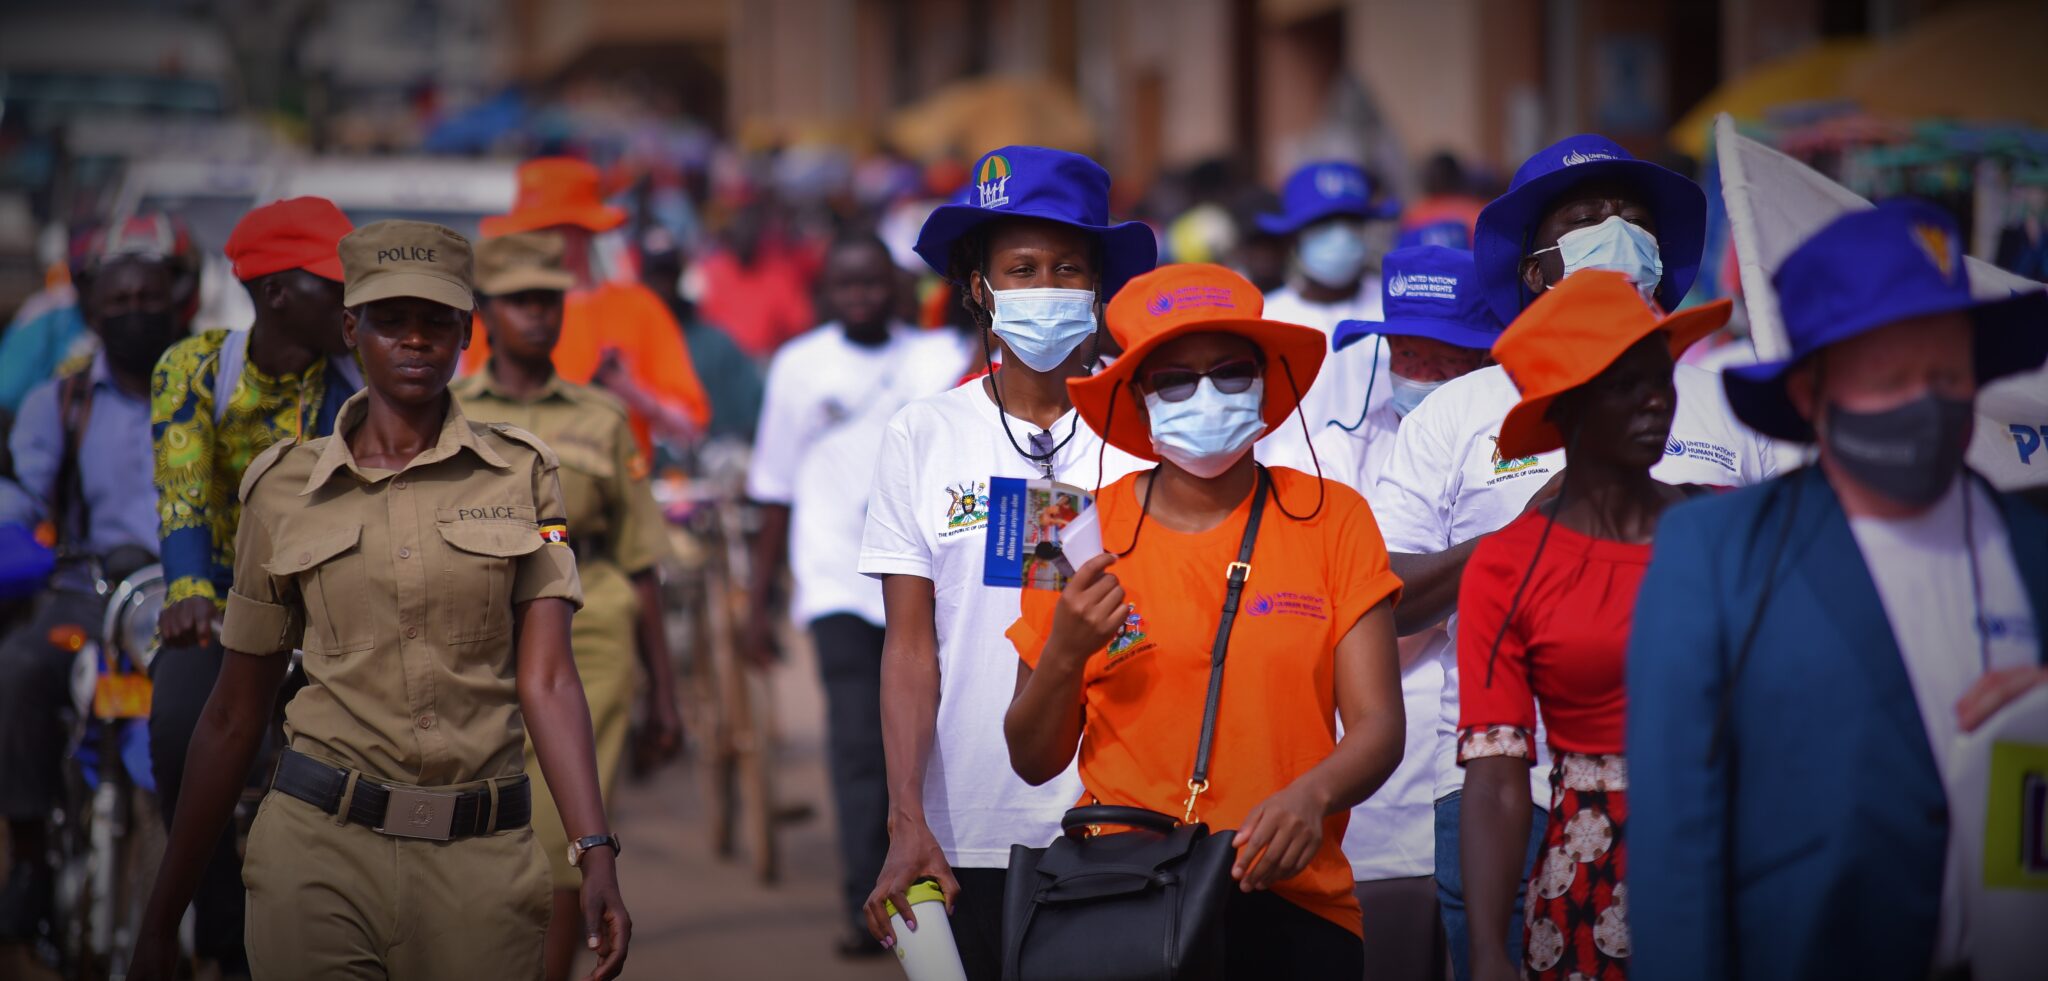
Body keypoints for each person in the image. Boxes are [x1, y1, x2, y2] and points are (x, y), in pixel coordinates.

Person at [129, 220, 630, 981]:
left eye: (437, 321)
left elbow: (550, 678)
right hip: (319, 853)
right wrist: (163, 917)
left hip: (481, 862)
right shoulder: (282, 487)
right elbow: (235, 712)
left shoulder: (523, 475)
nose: (416, 341)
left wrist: (594, 851)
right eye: (391, 321)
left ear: (466, 331)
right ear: (351, 329)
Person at [1369, 133, 1776, 981]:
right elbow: (1381, 600)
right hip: (1498, 795)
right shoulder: (1454, 415)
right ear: (1533, 266)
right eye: (1588, 218)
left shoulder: (1734, 403)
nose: (1617, 231)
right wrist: (1525, 539)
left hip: (1713, 790)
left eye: (1633, 218)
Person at [1627, 201, 2048, 981]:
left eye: (1948, 373)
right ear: (1810, 392)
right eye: (1891, 375)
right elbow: (1674, 852)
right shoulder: (1716, 559)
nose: (1927, 399)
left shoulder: (2029, 547)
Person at [1004, 262, 1407, 978]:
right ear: (1137, 397)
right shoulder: (1064, 523)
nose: (1207, 395)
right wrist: (1064, 652)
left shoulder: (1336, 515)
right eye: (1175, 380)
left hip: (1294, 899)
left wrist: (1312, 795)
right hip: (1125, 899)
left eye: (1230, 370)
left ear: (1265, 379)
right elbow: (1032, 759)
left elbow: (1378, 726)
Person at [857, 145, 1154, 978]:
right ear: (979, 288)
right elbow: (911, 645)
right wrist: (905, 814)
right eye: (1021, 269)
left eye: (1068, 268)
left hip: (1125, 820)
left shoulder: (1150, 432)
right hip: (968, 825)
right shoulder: (925, 434)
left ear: (1099, 289)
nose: (1046, 289)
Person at [1457, 269, 1733, 981]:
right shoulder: (1507, 564)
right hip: (1590, 874)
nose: (1655, 399)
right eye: (1622, 384)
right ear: (1568, 404)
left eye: (1661, 377)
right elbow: (1494, 777)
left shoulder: (1725, 531)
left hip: (1734, 848)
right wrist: (1487, 950)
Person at [1265, 244, 1502, 980]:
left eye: (1446, 355)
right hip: (1375, 787)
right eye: (1407, 351)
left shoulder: (1517, 433)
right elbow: (1332, 609)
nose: (1421, 372)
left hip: (1484, 766)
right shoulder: (1324, 448)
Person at [452, 230, 678, 981]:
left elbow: (642, 558)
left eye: (549, 301)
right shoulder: (448, 412)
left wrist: (665, 695)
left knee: (561, 838)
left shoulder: (603, 416)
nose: (538, 316)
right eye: (519, 301)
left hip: (588, 644)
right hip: (473, 644)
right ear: (486, 312)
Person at [147, 197, 365, 976]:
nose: (353, 305)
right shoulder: (193, 366)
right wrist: (186, 591)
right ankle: (210, 912)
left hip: (326, 608)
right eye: (335, 287)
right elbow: (182, 493)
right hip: (218, 599)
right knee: (180, 725)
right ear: (275, 292)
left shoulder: (355, 385)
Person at [745, 231, 971, 956]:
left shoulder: (935, 358)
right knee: (855, 748)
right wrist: (757, 601)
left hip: (924, 581)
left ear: (898, 289)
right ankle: (860, 905)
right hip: (838, 580)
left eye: (874, 283)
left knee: (930, 744)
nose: (862, 297)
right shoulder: (799, 366)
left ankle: (942, 886)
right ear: (826, 293)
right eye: (846, 286)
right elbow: (774, 488)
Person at [0, 215, 192, 947]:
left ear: (182, 299)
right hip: (87, 590)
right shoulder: (63, 402)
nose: (135, 311)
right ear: (91, 311)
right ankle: (27, 862)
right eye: (118, 301)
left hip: (184, 595)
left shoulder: (209, 390)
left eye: (151, 296)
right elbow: (22, 492)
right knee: (20, 667)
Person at [466, 156, 711, 450]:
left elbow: (689, 426)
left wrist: (631, 392)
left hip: (618, 490)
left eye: (545, 230)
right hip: (519, 490)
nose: (532, 243)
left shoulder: (638, 307)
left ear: (581, 232)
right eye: (528, 231)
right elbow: (475, 420)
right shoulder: (498, 314)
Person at [1253, 160, 1399, 466]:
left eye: (1351, 222)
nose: (1340, 236)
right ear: (1294, 236)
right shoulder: (1263, 319)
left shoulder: (1397, 306)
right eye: (1323, 224)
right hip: (1289, 493)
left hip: (1389, 490)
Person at [639, 226, 763, 444]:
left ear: (679, 275)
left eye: (667, 274)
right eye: (655, 275)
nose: (661, 284)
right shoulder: (623, 343)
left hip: (703, 464)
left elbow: (753, 411)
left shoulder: (715, 343)